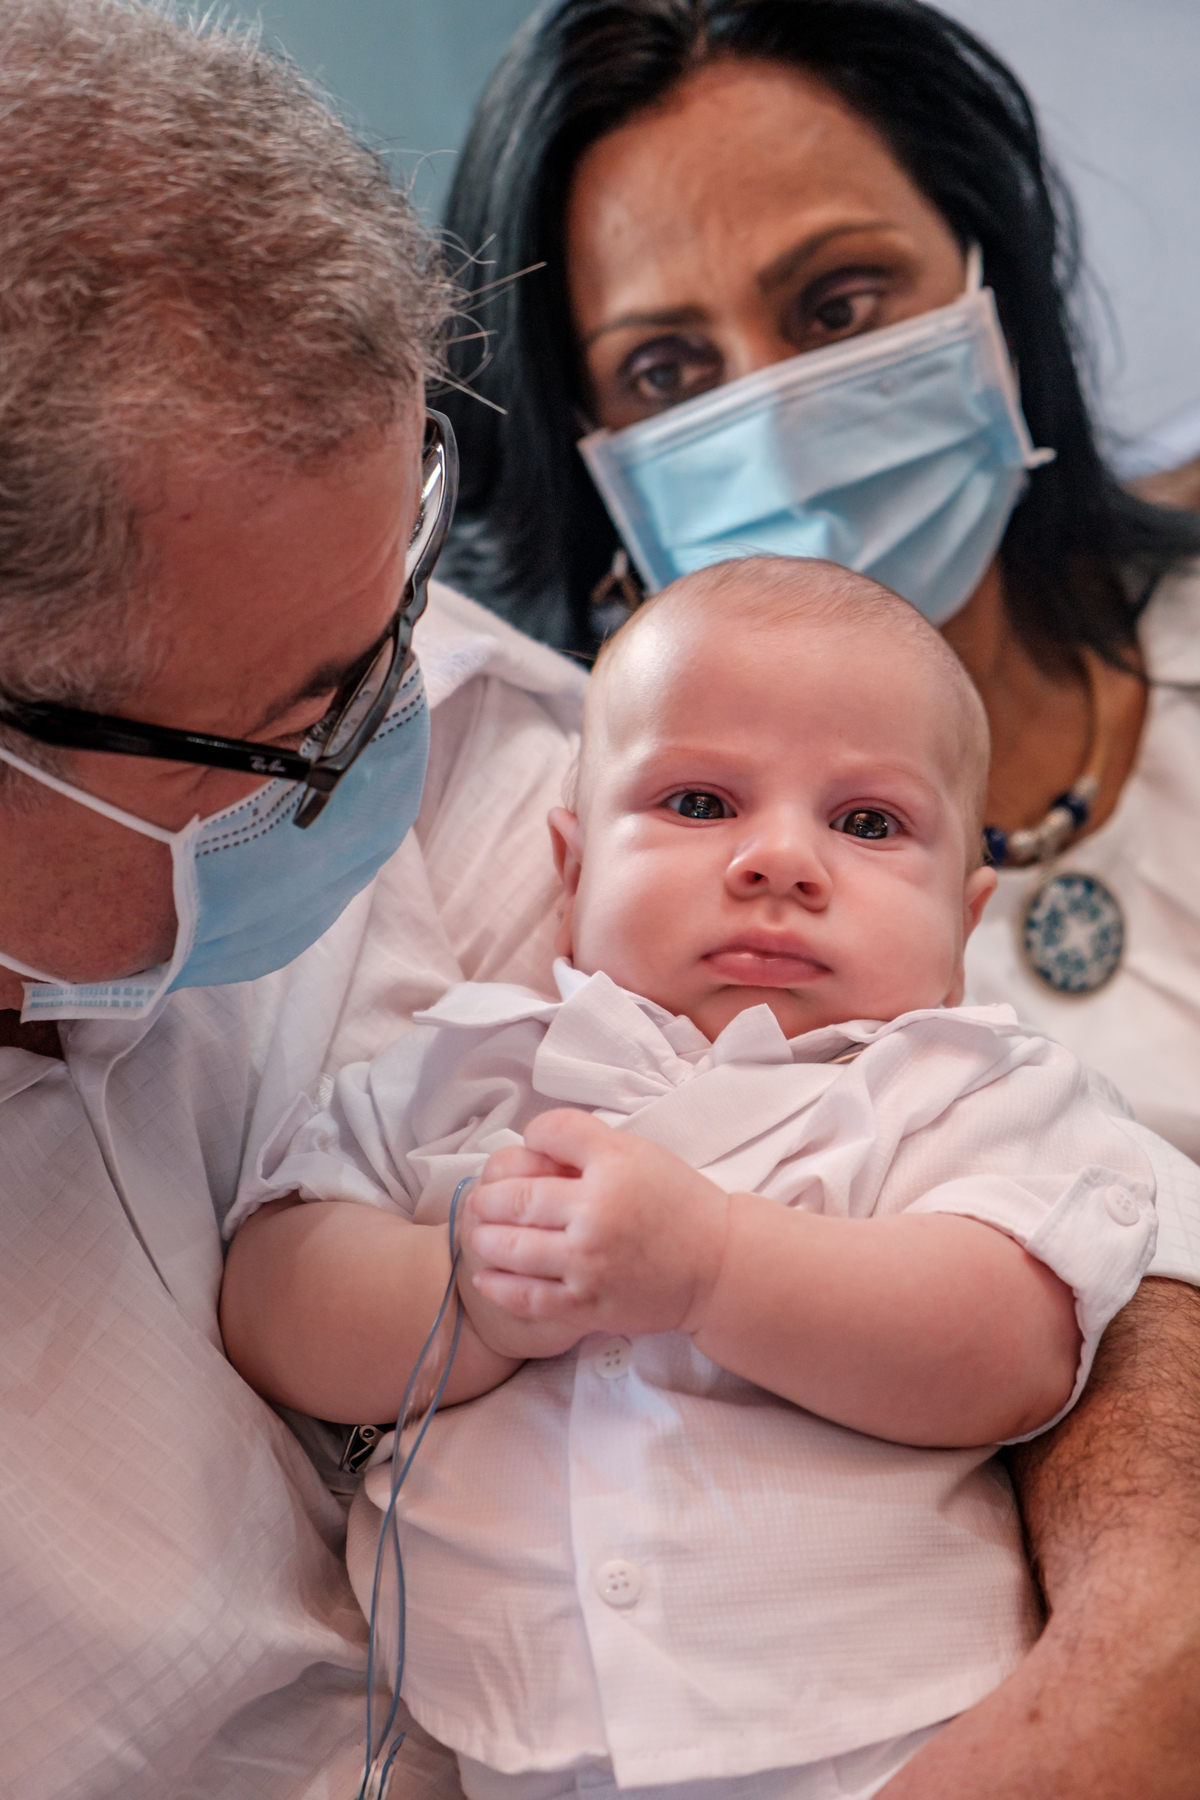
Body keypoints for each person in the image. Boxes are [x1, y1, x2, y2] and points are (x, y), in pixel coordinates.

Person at [434, 3, 1200, 1792]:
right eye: (665, 371)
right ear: (585, 447)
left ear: (993, 284)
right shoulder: (559, 837)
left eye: (842, 304)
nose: (775, 415)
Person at [221, 558, 1159, 1800]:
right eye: (702, 802)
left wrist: (717, 1265)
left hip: (902, 1742)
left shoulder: (957, 1087)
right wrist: (462, 1294)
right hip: (510, 1754)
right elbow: (270, 1293)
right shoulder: (469, 1065)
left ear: (963, 924)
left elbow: (1017, 1349)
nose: (781, 861)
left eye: (868, 824)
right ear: (570, 877)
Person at [0, 4, 586, 1796]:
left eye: (402, 594)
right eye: (298, 729)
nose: (394, 719)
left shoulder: (393, 672)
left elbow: (980, 1138)